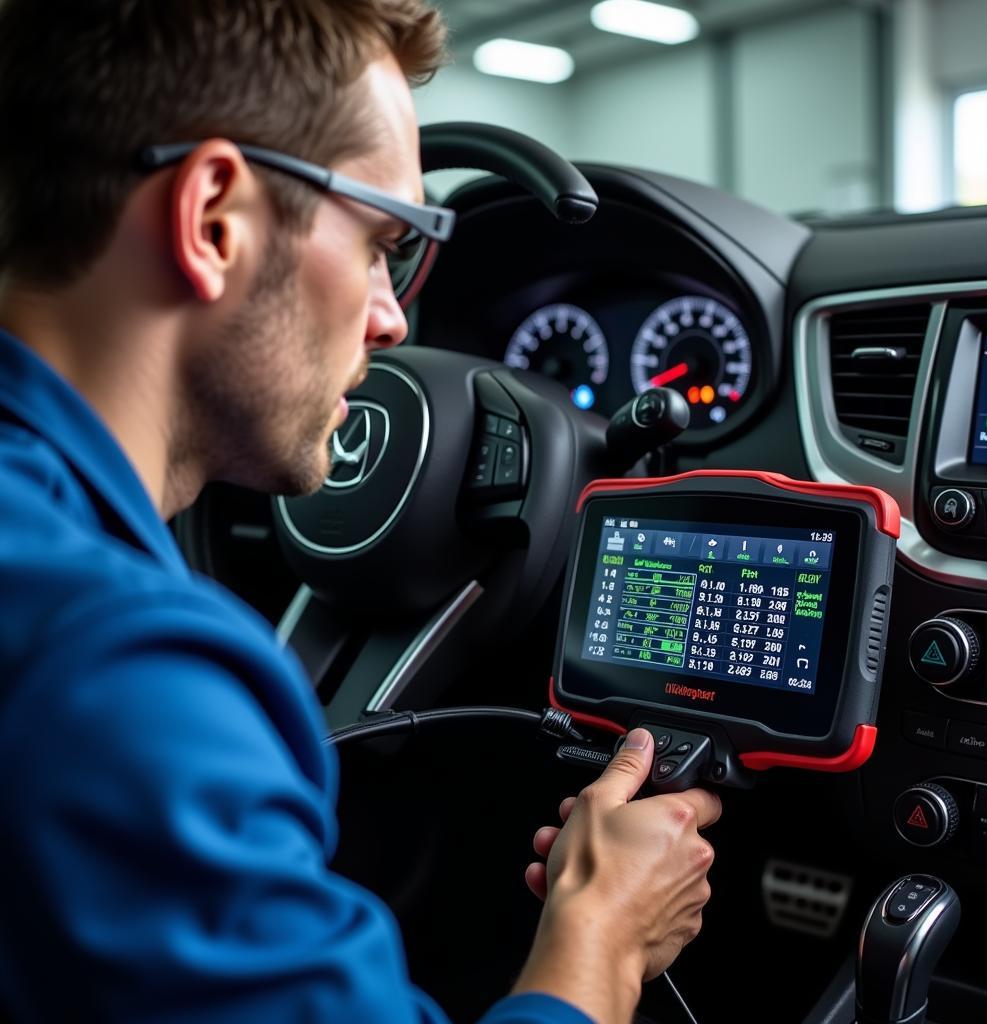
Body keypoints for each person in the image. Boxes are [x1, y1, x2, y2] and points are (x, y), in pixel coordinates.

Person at [0, 1, 721, 1021]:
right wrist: (599, 939)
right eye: (386, 241)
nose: (392, 319)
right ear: (214, 218)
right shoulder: (120, 676)